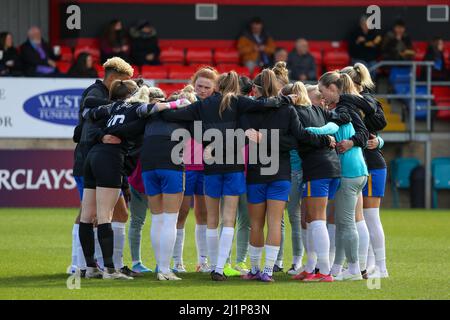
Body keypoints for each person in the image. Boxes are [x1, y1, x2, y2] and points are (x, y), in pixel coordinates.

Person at [160, 71, 290, 281]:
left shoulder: (201, 106)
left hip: (211, 167)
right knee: (229, 219)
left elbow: (171, 116)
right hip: (234, 168)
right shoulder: (239, 102)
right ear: (236, 87)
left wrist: (162, 106)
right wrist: (286, 98)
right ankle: (219, 268)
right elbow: (265, 105)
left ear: (217, 86)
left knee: (212, 219)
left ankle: (212, 264)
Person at [240, 70, 332, 282]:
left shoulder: (247, 111)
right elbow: (297, 139)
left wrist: (262, 139)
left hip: (256, 172)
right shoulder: (288, 110)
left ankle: (255, 269)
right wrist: (326, 140)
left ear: (255, 88)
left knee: (256, 223)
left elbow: (246, 138)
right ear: (279, 88)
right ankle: (268, 271)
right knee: (274, 222)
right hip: (280, 172)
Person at [79, 80, 173, 280]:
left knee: (87, 215)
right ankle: (111, 270)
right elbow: (138, 124)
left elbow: (86, 120)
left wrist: (102, 135)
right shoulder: (135, 110)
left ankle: (90, 267)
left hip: (92, 157)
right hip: (110, 158)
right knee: (106, 214)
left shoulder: (110, 108)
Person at [69, 57, 134, 277]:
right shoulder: (95, 94)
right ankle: (80, 264)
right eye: (124, 81)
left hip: (91, 159)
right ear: (115, 78)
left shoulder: (102, 96)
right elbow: (85, 128)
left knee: (109, 213)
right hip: (92, 160)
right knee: (91, 214)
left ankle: (94, 265)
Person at [281, 81, 350, 282]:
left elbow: (301, 136)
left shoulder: (294, 113)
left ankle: (325, 271)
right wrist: (325, 135)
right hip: (332, 167)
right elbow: (338, 121)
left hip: (317, 170)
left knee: (317, 220)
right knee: (310, 219)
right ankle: (311, 268)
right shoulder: (318, 110)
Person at [315, 71, 373, 281]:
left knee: (347, 223)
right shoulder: (343, 109)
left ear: (332, 89)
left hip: (350, 171)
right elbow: (362, 132)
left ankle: (356, 268)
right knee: (343, 222)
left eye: (323, 92)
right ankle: (339, 266)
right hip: (356, 170)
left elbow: (354, 129)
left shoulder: (342, 110)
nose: (322, 97)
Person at [340, 63, 389, 279]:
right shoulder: (359, 103)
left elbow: (380, 122)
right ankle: (367, 266)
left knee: (369, 218)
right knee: (361, 219)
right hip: (365, 163)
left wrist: (378, 141)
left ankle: (380, 267)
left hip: (371, 164)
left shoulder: (365, 101)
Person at [171, 67, 219, 274]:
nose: (202, 90)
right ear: (193, 83)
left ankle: (203, 261)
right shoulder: (187, 106)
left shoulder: (217, 108)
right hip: (185, 165)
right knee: (180, 213)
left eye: (207, 87)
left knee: (204, 214)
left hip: (208, 166)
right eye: (199, 86)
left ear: (214, 88)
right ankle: (177, 262)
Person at [127, 86, 166, 274]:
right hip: (142, 177)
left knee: (146, 221)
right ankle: (139, 263)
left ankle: (159, 263)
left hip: (146, 176)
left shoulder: (139, 120)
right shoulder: (141, 121)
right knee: (141, 221)